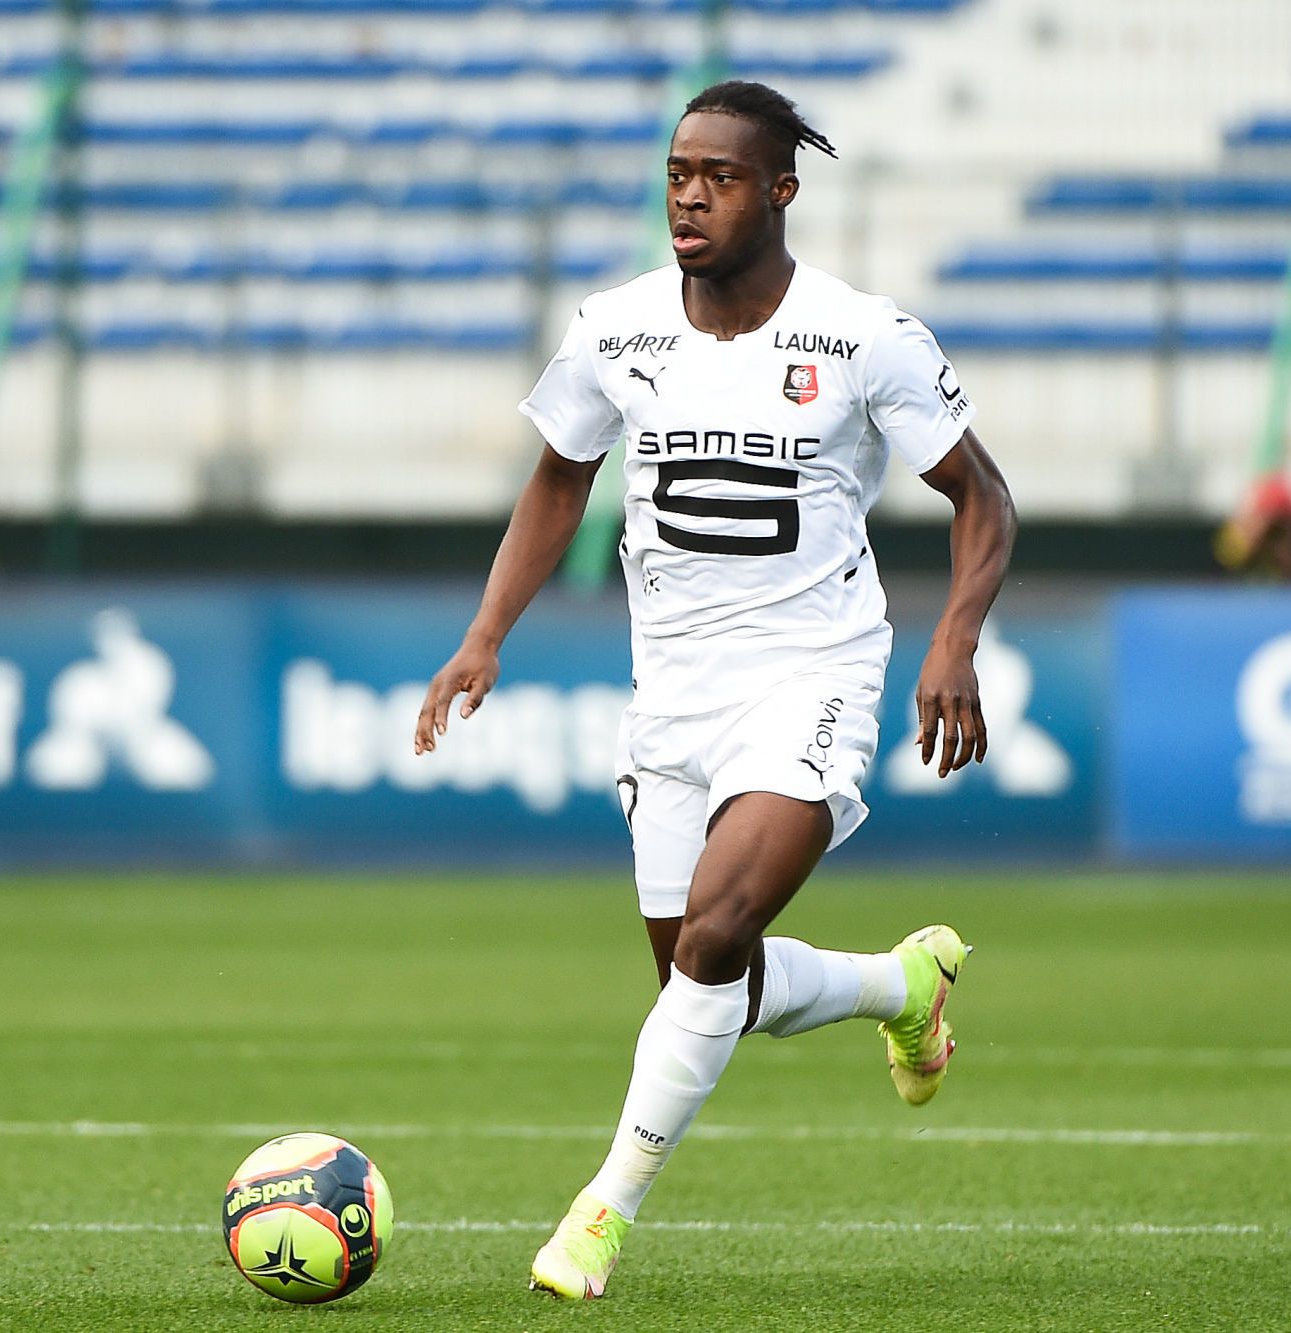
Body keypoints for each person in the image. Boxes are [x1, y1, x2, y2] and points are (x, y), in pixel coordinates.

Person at [413, 80, 1017, 1301]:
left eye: (721, 177)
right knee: (707, 988)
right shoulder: (615, 328)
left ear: (780, 190)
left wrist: (953, 638)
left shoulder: (863, 338)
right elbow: (557, 478)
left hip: (811, 674)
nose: (689, 197)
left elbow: (981, 497)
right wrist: (484, 634)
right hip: (671, 695)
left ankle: (598, 1215)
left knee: (713, 934)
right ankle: (899, 984)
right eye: (677, 173)